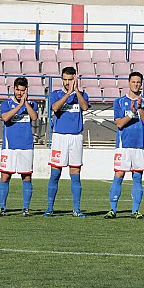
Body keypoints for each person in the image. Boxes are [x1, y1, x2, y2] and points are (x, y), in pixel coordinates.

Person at [104, 72, 144, 219]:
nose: (136, 84)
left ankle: (135, 211)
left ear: (141, 84)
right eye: (134, 82)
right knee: (119, 174)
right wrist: (131, 113)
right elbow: (119, 124)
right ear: (129, 83)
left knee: (137, 176)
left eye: (139, 82)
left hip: (140, 145)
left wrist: (139, 109)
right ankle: (113, 210)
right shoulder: (119, 102)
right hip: (123, 144)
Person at [44, 66, 90, 218]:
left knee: (75, 173)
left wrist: (76, 91)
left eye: (71, 79)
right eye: (66, 79)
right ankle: (49, 208)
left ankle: (76, 209)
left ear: (75, 79)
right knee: (55, 174)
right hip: (60, 137)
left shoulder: (82, 95)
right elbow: (55, 108)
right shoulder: (56, 94)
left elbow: (84, 107)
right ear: (62, 79)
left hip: (76, 137)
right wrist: (68, 93)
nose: (68, 82)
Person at [0, 77, 38, 217]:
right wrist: (19, 106)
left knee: (26, 177)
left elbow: (34, 117)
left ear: (26, 90)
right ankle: (2, 208)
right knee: (5, 176)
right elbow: (5, 117)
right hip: (9, 146)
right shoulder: (6, 103)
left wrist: (25, 103)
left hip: (26, 146)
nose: (19, 93)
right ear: (13, 89)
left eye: (22, 90)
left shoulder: (32, 104)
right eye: (17, 90)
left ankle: (25, 208)